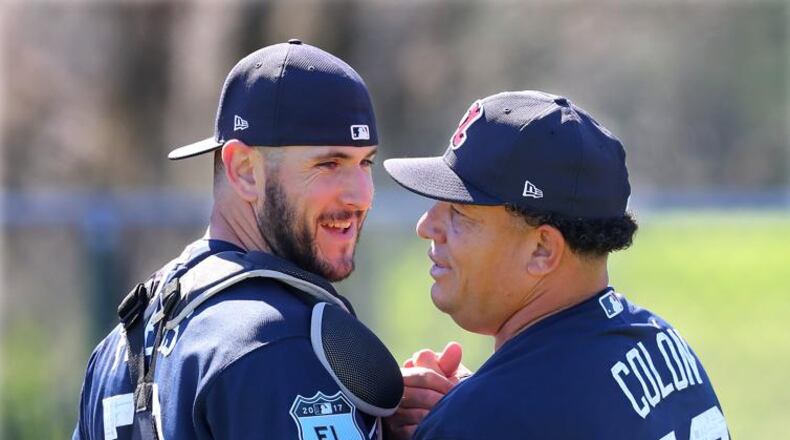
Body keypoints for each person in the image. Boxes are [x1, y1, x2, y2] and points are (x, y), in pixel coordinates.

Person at [73, 39, 405, 440]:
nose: (361, 195)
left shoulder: (120, 347)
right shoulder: (278, 342)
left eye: (365, 162)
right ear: (245, 170)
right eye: (329, 164)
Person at [382, 90, 730, 439]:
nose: (426, 226)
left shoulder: (490, 418)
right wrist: (467, 402)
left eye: (459, 212)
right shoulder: (662, 342)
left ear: (542, 249)